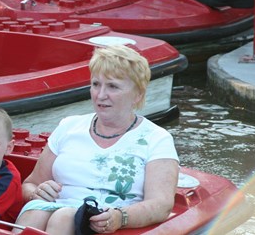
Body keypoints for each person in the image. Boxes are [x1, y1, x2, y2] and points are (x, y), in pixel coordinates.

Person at [13, 45, 179, 234]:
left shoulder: (157, 138)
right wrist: (37, 193)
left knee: (63, 218)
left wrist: (120, 217)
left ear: (137, 94)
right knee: (35, 212)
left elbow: (161, 204)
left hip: (106, 223)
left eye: (112, 86)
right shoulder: (68, 127)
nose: (100, 95)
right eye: (95, 84)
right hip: (52, 212)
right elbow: (29, 184)